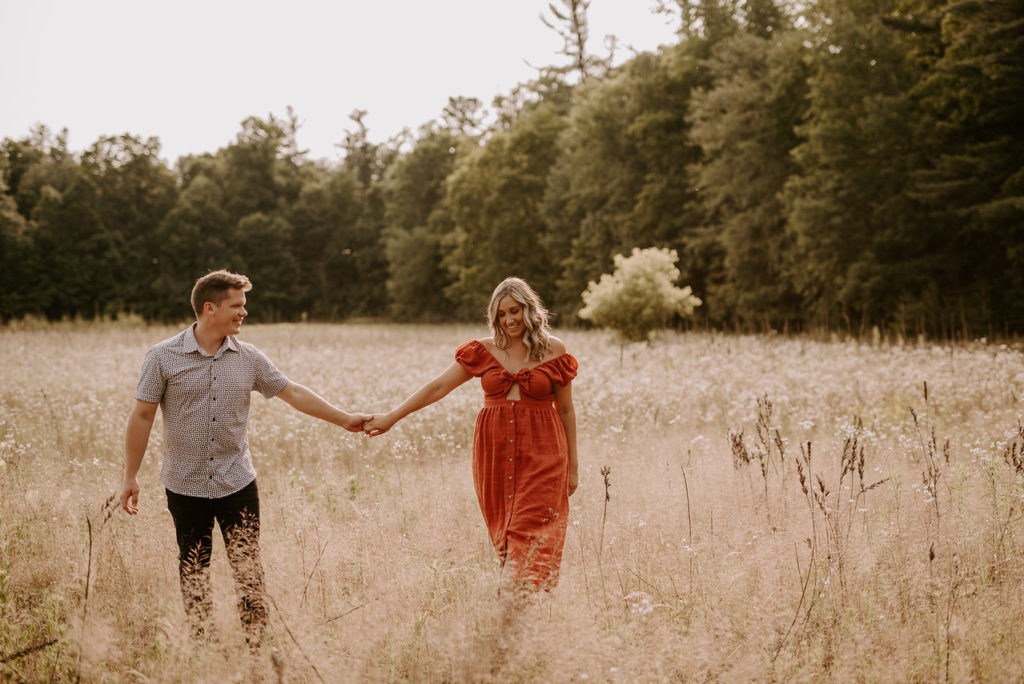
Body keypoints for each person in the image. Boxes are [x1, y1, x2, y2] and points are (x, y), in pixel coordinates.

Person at [118, 269, 368, 648]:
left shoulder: (249, 357)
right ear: (210, 307)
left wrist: (345, 419)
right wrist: (130, 476)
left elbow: (293, 392)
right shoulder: (163, 357)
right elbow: (142, 416)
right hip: (184, 485)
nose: (243, 313)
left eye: (243, 306)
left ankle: (258, 648)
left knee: (248, 569)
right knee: (194, 569)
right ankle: (204, 648)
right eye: (236, 306)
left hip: (237, 483)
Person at [364, 277, 579, 593]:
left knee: (527, 539)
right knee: (508, 542)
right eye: (501, 314)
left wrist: (573, 468)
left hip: (544, 456)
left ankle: (508, 620)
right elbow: (437, 386)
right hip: (495, 460)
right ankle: (517, 624)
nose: (509, 320)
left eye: (515, 311)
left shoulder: (553, 350)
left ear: (529, 309)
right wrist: (392, 417)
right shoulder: (485, 351)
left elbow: (566, 411)